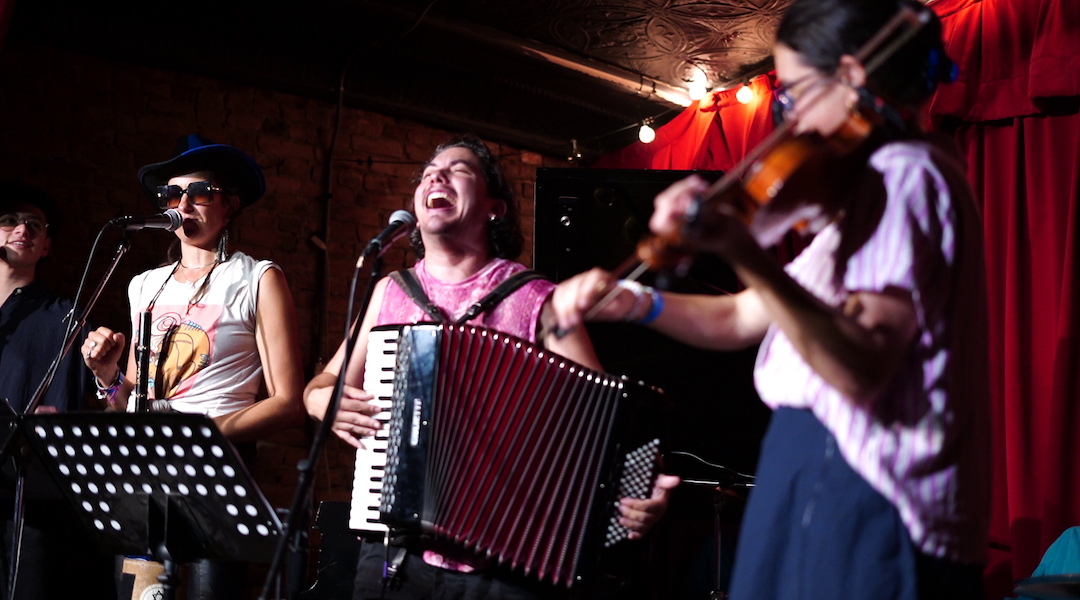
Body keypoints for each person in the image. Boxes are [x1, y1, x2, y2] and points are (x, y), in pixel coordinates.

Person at [551, 1, 991, 599]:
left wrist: (748, 253)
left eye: (797, 94)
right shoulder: (854, 209)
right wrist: (634, 302)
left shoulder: (903, 175)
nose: (790, 121)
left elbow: (860, 368)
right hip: (812, 470)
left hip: (868, 488)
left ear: (853, 81)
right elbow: (740, 314)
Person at [303, 134, 679, 600]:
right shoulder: (390, 292)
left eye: (458, 169)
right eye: (426, 174)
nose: (436, 177)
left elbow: (613, 420)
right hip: (395, 556)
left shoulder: (537, 300)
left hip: (504, 568)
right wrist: (322, 399)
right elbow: (322, 385)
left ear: (494, 207)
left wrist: (645, 488)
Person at [80, 134, 306, 599]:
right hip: (144, 465)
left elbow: (289, 402)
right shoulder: (145, 286)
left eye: (199, 192)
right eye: (172, 195)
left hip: (217, 464)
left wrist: (206, 434)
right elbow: (131, 401)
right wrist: (107, 375)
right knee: (138, 594)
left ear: (230, 206)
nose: (183, 204)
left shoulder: (257, 277)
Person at [0, 181, 115, 599]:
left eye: (34, 224)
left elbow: (112, 402)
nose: (22, 229)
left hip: (28, 507)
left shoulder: (66, 319)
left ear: (46, 245)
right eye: (10, 220)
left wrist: (107, 374)